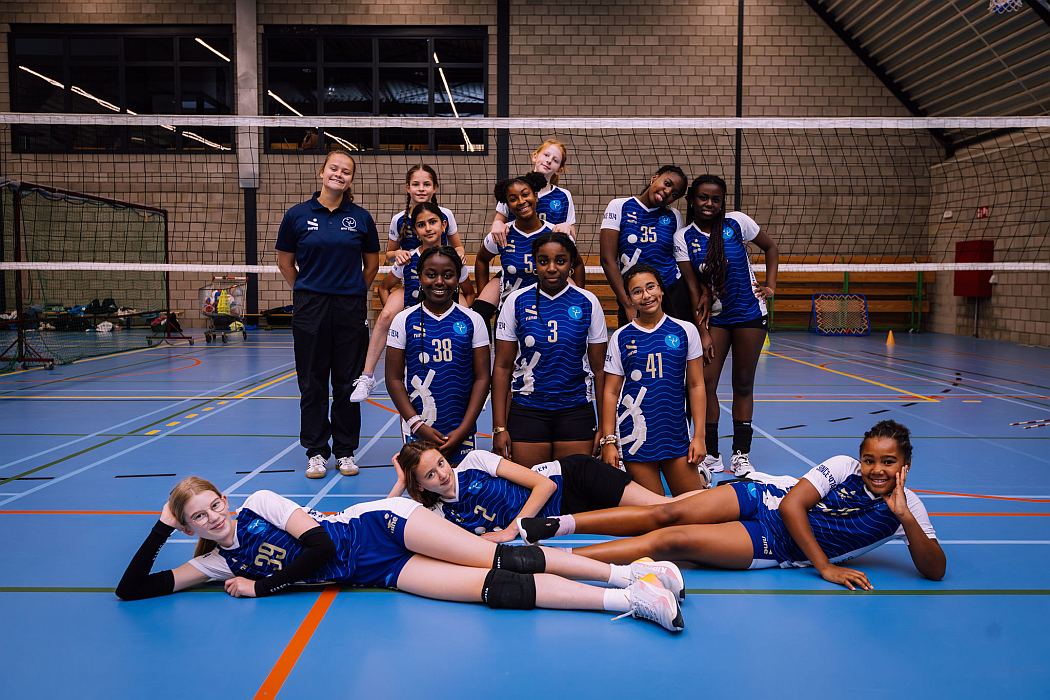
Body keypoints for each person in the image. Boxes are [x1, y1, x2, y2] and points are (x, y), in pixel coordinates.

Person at [115, 477, 686, 632]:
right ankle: (633, 599)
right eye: (199, 517)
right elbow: (132, 589)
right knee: (496, 592)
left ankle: (631, 569)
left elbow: (318, 546)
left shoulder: (260, 503)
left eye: (215, 504)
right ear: (189, 525)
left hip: (382, 527)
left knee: (498, 558)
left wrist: (261, 588)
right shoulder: (216, 563)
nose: (214, 518)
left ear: (226, 499)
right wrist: (161, 527)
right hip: (381, 572)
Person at [519, 420, 947, 591]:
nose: (876, 469)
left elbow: (935, 569)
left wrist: (904, 519)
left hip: (776, 545)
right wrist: (826, 568)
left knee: (671, 540)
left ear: (905, 466)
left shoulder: (908, 509)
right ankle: (557, 525)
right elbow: (793, 507)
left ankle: (554, 561)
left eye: (888, 462)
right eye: (870, 460)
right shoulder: (843, 466)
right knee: (666, 511)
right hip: (766, 498)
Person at [276, 150, 379, 479]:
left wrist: (351, 289)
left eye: (346, 171)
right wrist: (308, 290)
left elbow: (372, 265)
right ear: (322, 172)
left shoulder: (361, 218)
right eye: (334, 168)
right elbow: (285, 262)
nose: (339, 174)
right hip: (310, 307)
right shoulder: (296, 215)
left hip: (349, 307)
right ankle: (317, 451)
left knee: (348, 382)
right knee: (312, 382)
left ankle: (345, 451)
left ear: (351, 179)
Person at [388, 441, 704, 543]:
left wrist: (512, 529)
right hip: (567, 515)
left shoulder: (474, 461)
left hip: (573, 478)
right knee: (650, 525)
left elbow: (545, 485)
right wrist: (400, 484)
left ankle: (727, 497)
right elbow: (384, 524)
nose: (443, 474)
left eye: (441, 463)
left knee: (661, 509)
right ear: (420, 485)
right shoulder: (439, 514)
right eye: (430, 475)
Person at [674, 174, 779, 476]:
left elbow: (771, 248)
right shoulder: (683, 238)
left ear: (722, 203)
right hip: (716, 319)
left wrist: (771, 286)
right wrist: (702, 332)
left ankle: (741, 455)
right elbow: (694, 290)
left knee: (743, 384)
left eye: (716, 199)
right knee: (706, 383)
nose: (709, 203)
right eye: (703, 197)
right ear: (691, 200)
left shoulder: (737, 223)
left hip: (749, 314)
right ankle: (712, 454)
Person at [491, 232, 607, 467]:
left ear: (571, 263)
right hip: (528, 410)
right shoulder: (516, 301)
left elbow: (600, 370)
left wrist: (605, 428)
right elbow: (502, 367)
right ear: (535, 263)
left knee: (574, 485)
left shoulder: (588, 302)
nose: (552, 268)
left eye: (560, 261)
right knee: (530, 484)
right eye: (544, 261)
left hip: (575, 409)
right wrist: (499, 427)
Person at [351, 164, 466, 402]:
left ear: (435, 188)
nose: (421, 189)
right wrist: (399, 254)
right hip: (412, 277)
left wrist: (459, 256)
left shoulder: (445, 214)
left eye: (426, 184)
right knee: (385, 316)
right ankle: (367, 376)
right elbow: (389, 254)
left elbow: (458, 246)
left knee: (468, 319)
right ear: (407, 188)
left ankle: (470, 381)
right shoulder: (399, 219)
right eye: (416, 184)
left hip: (442, 280)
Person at [600, 264, 708, 496]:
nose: (646, 295)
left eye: (651, 287)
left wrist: (699, 436)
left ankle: (701, 476)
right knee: (655, 510)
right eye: (637, 291)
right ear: (629, 298)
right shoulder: (620, 337)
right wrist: (608, 441)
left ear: (661, 289)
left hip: (675, 434)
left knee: (692, 508)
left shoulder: (685, 331)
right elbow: (610, 392)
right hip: (635, 436)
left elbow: (696, 385)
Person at [386, 245, 488, 465]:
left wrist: (465, 429)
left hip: (460, 428)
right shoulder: (403, 320)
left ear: (458, 278)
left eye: (448, 275)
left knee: (459, 483)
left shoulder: (473, 320)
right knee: (422, 482)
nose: (439, 281)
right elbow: (393, 378)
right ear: (420, 277)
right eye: (431, 275)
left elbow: (482, 378)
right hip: (417, 428)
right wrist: (417, 425)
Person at [599, 165, 701, 327]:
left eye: (674, 194)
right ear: (654, 178)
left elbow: (680, 259)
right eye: (667, 183)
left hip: (671, 290)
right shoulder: (620, 206)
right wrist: (628, 303)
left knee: (674, 341)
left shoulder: (673, 215)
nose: (668, 192)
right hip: (635, 294)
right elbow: (607, 259)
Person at [471, 173, 555, 328]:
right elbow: (482, 259)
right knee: (478, 315)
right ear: (508, 206)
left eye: (525, 195)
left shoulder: (553, 233)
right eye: (513, 199)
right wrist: (482, 292)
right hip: (510, 308)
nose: (521, 201)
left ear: (536, 196)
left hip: (546, 306)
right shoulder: (502, 234)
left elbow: (576, 264)